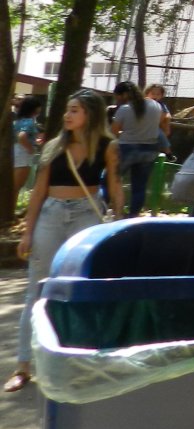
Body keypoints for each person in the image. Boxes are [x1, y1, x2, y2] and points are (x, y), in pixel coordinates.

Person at [8, 90, 122, 393]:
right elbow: (38, 192)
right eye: (68, 110)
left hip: (87, 214)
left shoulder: (107, 146)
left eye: (75, 110)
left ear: (90, 114)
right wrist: (28, 231)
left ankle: (75, 361)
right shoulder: (54, 146)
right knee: (37, 290)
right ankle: (23, 365)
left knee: (81, 289)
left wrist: (119, 224)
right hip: (52, 215)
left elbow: (115, 185)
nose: (67, 115)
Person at [111, 80, 170, 217]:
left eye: (118, 96)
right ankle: (133, 216)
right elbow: (162, 121)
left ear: (124, 95)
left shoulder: (125, 109)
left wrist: (125, 133)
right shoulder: (156, 105)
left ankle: (108, 210)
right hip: (150, 149)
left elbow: (113, 131)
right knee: (139, 187)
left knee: (110, 180)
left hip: (127, 148)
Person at [10, 94, 44, 197]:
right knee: (16, 188)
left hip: (15, 152)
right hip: (23, 156)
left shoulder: (18, 120)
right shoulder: (29, 121)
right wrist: (30, 149)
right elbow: (22, 136)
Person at [143, 83, 174, 156]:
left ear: (162, 95)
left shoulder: (161, 105)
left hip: (154, 126)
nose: (155, 96)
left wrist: (165, 123)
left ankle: (168, 152)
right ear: (147, 94)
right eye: (153, 93)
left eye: (158, 94)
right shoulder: (143, 103)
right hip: (142, 126)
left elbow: (167, 115)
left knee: (160, 134)